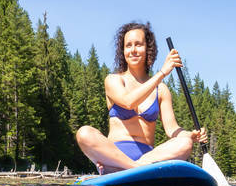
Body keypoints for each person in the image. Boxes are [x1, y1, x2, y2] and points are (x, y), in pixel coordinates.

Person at [76, 21, 207, 175]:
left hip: (148, 158)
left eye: (138, 44)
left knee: (185, 143)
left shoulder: (162, 90)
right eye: (128, 45)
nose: (133, 50)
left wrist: (190, 135)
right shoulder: (114, 80)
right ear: (123, 51)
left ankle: (128, 169)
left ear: (148, 49)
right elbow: (128, 102)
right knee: (84, 133)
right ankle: (135, 169)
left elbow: (172, 129)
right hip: (114, 156)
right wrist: (162, 73)